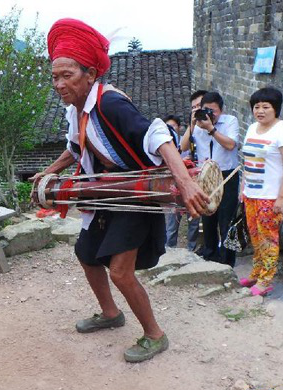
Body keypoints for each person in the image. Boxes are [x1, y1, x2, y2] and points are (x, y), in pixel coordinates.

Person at [33, 18, 209, 363]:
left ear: (90, 74)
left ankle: (155, 335)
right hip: (106, 191)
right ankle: (111, 313)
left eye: (67, 75)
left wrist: (186, 183)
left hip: (136, 191)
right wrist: (49, 172)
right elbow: (77, 147)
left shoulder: (110, 103)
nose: (59, 84)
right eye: (55, 77)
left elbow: (158, 136)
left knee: (120, 272)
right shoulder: (77, 111)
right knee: (86, 253)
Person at [238, 87, 283, 296]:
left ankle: (266, 279)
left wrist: (281, 197)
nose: (260, 111)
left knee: (268, 238)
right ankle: (256, 272)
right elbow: (247, 161)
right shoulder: (252, 128)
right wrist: (243, 187)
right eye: (256, 107)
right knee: (255, 236)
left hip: (270, 196)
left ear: (276, 108)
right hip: (251, 194)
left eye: (266, 107)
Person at [182, 91, 240, 266]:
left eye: (213, 111)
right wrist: (192, 124)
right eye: (205, 110)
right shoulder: (197, 124)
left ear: (221, 110)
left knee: (227, 220)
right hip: (205, 176)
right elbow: (183, 147)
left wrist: (211, 129)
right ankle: (210, 254)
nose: (209, 114)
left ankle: (227, 261)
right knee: (207, 218)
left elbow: (231, 145)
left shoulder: (230, 121)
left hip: (226, 175)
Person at [163, 113, 200, 250]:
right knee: (172, 222)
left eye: (173, 126)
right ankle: (170, 249)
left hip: (192, 185)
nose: (171, 129)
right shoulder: (163, 145)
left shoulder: (188, 141)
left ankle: (191, 249)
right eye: (168, 126)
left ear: (179, 127)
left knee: (194, 220)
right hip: (175, 189)